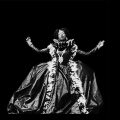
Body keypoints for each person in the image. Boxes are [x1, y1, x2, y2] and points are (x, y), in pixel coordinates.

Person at [7, 28, 104, 114]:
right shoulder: (52, 46)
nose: (61, 35)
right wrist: (31, 44)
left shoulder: (72, 46)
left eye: (63, 33)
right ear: (57, 36)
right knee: (43, 80)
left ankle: (70, 107)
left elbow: (86, 53)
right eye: (59, 34)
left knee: (78, 81)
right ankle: (51, 106)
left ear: (66, 35)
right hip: (54, 68)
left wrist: (97, 47)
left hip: (68, 69)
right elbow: (40, 51)